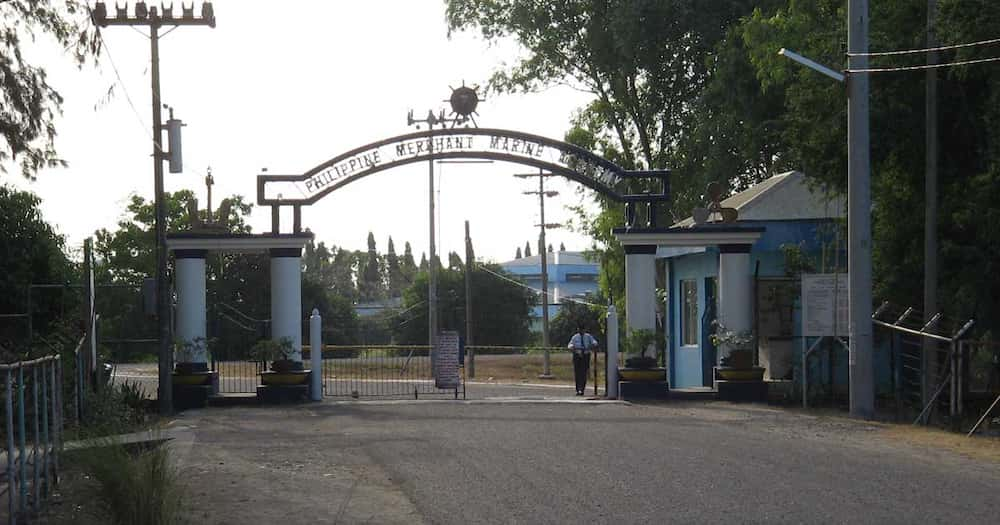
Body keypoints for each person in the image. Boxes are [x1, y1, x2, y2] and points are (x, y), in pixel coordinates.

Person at [566, 325, 598, 396]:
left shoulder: (588, 336)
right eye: (579, 329)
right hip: (577, 355)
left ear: (584, 330)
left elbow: (594, 342)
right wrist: (572, 347)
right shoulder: (575, 337)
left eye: (582, 329)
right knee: (577, 373)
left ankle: (582, 389)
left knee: (583, 373)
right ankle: (578, 390)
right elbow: (570, 344)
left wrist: (592, 345)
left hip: (585, 356)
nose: (581, 331)